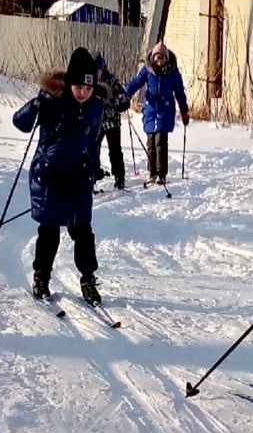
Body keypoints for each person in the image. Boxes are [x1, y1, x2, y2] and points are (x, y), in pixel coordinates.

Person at [12, 46, 106, 307]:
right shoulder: (52, 100)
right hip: (50, 176)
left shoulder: (95, 108)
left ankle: (88, 280)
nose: (84, 93)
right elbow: (19, 123)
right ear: (70, 84)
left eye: (88, 89)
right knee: (49, 231)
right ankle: (41, 277)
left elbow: (93, 142)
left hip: (78, 177)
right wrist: (36, 104)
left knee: (83, 232)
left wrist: (94, 167)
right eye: (79, 88)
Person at [125, 41, 189, 184]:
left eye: (162, 58)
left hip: (165, 111)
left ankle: (162, 173)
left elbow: (180, 92)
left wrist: (184, 111)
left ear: (166, 59)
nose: (159, 61)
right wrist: (125, 95)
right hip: (150, 111)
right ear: (153, 58)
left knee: (161, 142)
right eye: (157, 58)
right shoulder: (148, 71)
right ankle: (152, 172)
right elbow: (136, 83)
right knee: (151, 143)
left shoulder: (173, 73)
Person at [94, 52, 130, 189]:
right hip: (96, 122)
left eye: (98, 70)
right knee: (93, 149)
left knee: (115, 150)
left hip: (112, 122)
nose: (96, 73)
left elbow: (122, 96)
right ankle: (94, 174)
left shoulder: (111, 80)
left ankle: (119, 177)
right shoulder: (89, 82)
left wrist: (117, 101)